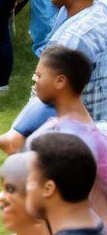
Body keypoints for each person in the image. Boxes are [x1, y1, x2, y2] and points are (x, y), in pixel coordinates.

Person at [0, 0, 107, 153]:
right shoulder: (98, 13)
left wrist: (17, 132)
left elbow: (46, 94)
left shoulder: (73, 38)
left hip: (77, 143)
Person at [27, 44, 107, 223]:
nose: (34, 80)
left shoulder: (62, 136)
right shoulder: (97, 135)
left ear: (60, 81)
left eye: (39, 75)